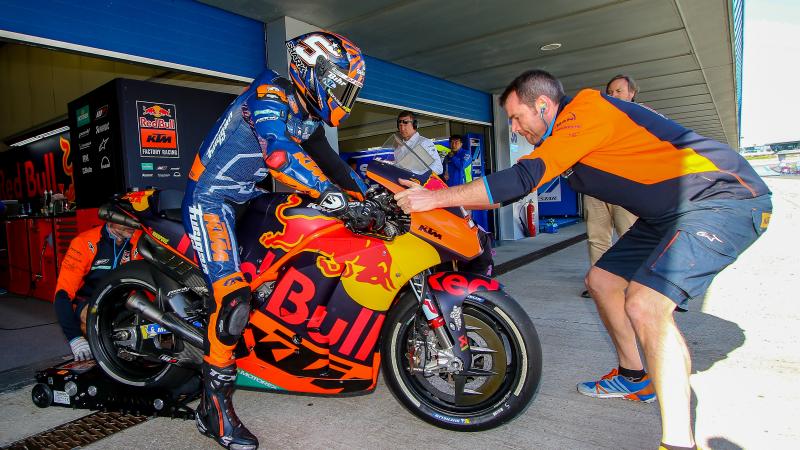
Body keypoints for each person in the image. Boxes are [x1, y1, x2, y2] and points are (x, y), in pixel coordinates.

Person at [394, 69, 771, 450]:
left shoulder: (584, 112)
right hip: (666, 214)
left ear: (543, 105)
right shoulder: (565, 137)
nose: (515, 128)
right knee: (602, 282)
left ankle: (677, 443)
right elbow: (508, 193)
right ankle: (634, 377)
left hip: (722, 198)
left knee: (646, 305)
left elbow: (523, 178)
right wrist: (436, 197)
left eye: (517, 117)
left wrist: (435, 199)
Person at [182, 31, 380, 450]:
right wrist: (330, 195)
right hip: (212, 199)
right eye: (342, 89)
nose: (345, 101)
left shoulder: (307, 116)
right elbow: (279, 153)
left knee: (298, 255)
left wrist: (372, 200)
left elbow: (334, 166)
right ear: (315, 73)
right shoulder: (268, 94)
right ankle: (212, 409)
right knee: (234, 299)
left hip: (249, 198)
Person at [579, 75, 640, 298]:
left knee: (629, 236)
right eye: (610, 92)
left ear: (632, 93)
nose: (613, 95)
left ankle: (631, 284)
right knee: (597, 238)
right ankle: (599, 285)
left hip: (626, 188)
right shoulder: (597, 119)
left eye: (618, 91)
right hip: (596, 188)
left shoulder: (641, 118)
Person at [54, 222, 139, 361]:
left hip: (122, 299)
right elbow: (62, 295)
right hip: (90, 302)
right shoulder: (83, 243)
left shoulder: (139, 238)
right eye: (125, 219)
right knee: (91, 317)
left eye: (134, 218)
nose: (133, 224)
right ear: (110, 218)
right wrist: (75, 338)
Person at [393, 110, 443, 175]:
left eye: (405, 125)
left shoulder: (424, 143)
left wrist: (414, 174)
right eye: (400, 125)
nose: (402, 129)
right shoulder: (398, 149)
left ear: (415, 125)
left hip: (418, 181)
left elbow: (438, 168)